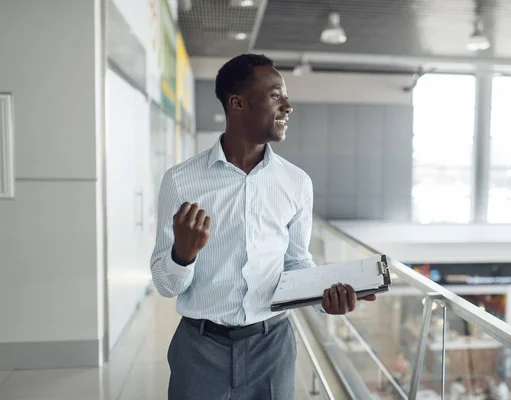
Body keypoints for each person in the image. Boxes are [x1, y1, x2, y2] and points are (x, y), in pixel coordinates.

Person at [150, 53, 377, 400]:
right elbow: (166, 285)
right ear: (237, 103)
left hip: (272, 349)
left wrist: (324, 299)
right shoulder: (182, 182)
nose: (287, 106)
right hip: (199, 351)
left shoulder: (296, 183)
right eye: (275, 95)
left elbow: (296, 263)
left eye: (285, 96)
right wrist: (182, 255)